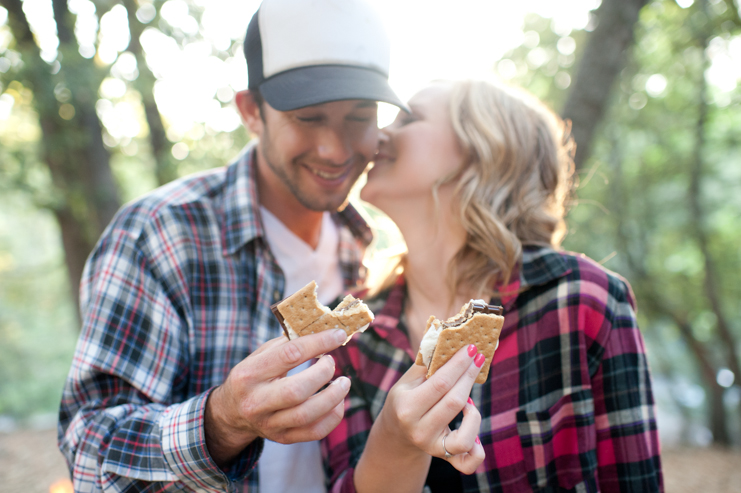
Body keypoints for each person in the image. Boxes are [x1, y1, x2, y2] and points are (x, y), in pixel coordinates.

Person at [57, 0, 408, 491]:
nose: (335, 149)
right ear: (251, 112)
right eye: (308, 118)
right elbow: (87, 451)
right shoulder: (160, 234)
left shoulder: (367, 251)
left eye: (358, 116)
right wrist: (221, 422)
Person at [321, 79, 664, 492]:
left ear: (483, 150)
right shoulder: (349, 335)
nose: (378, 134)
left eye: (409, 118)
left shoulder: (584, 301)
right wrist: (394, 441)